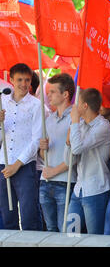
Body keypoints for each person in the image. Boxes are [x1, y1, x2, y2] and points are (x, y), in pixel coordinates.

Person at [0, 63, 43, 231]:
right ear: (11, 80)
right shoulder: (2, 102)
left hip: (24, 166)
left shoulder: (36, 105)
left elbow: (36, 139)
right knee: (7, 216)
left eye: (27, 80)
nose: (23, 84)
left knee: (29, 215)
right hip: (3, 164)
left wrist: (17, 164)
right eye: (19, 80)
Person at [66, 88, 110, 234]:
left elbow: (78, 148)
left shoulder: (103, 126)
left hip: (95, 190)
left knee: (94, 237)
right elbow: (69, 160)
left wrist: (73, 122)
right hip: (78, 189)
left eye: (77, 103)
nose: (74, 107)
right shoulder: (79, 125)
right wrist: (68, 143)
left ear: (85, 106)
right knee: (70, 235)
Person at [38, 73, 77, 232]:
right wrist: (42, 148)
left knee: (66, 232)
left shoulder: (75, 118)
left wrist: (54, 171)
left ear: (65, 94)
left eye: (53, 91)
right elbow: (43, 156)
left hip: (65, 182)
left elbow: (76, 154)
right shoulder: (49, 119)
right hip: (45, 181)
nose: (48, 94)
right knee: (50, 230)